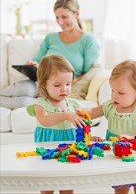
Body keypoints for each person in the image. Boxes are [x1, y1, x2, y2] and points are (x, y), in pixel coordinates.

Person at [0, 0, 100, 109]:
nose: (60, 22)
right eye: (57, 17)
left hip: (59, 88)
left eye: (64, 17)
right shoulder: (51, 38)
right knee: (24, 88)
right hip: (40, 83)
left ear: (76, 14)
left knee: (24, 103)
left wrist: (71, 81)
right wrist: (33, 64)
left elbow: (91, 71)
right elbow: (38, 60)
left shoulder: (88, 41)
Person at [77, 59, 136, 194]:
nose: (114, 96)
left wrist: (132, 138)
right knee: (120, 186)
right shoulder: (110, 106)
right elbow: (92, 112)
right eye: (112, 90)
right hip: (115, 155)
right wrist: (83, 113)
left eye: (121, 92)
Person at [27, 55, 101, 194]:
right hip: (48, 147)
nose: (64, 89)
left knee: (67, 184)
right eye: (57, 85)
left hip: (69, 149)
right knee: (47, 185)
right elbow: (45, 121)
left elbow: (80, 128)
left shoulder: (74, 105)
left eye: (68, 84)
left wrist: (89, 138)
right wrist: (66, 115)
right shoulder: (41, 104)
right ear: (43, 84)